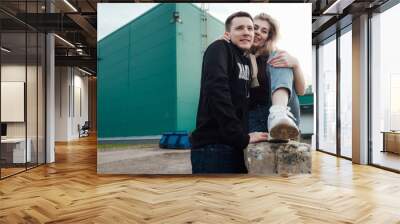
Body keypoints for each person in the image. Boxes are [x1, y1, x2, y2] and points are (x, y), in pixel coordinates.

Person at [190, 12, 268, 174]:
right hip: (213, 148)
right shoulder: (219, 48)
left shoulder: (245, 60)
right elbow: (218, 93)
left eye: (250, 28)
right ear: (228, 33)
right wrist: (241, 137)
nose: (246, 32)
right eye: (239, 28)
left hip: (234, 146)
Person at [247, 13, 306, 140]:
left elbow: (301, 91)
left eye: (264, 31)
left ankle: (278, 113)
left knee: (280, 57)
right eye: (255, 27)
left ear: (269, 36)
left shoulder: (275, 56)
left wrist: (296, 64)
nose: (258, 32)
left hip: (279, 116)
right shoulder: (239, 56)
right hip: (252, 118)